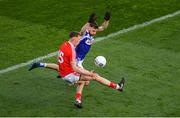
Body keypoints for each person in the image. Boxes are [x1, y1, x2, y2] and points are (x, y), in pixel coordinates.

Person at [56, 31, 125, 108]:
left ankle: (78, 101)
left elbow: (58, 57)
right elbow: (75, 69)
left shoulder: (64, 45)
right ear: (74, 38)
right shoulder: (72, 50)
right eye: (78, 40)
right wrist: (90, 73)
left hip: (63, 73)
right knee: (95, 76)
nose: (79, 42)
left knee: (82, 82)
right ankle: (118, 87)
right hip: (69, 75)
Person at [29, 11, 111, 71]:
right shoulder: (84, 34)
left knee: (61, 68)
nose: (95, 32)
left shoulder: (92, 33)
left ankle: (40, 64)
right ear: (89, 28)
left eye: (96, 31)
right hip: (75, 60)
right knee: (85, 81)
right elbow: (82, 30)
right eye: (93, 30)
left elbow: (103, 27)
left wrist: (107, 20)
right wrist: (89, 22)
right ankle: (72, 81)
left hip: (80, 59)